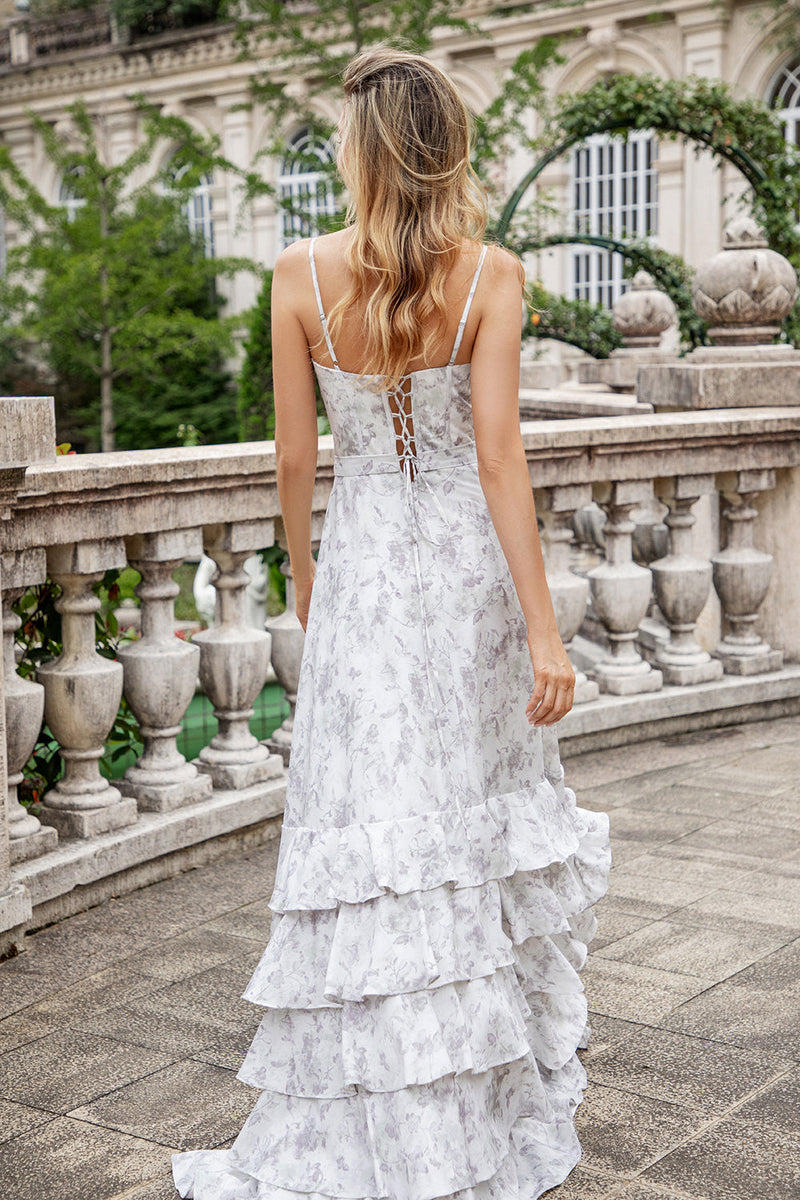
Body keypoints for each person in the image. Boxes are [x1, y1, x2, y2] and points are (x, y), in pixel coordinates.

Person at [173, 46, 611, 1200]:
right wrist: (543, 631)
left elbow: (293, 456)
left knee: (374, 825)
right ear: (446, 146)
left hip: (365, 570)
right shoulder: (492, 275)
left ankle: (376, 1104)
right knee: (462, 824)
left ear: (359, 153)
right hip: (463, 571)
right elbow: (501, 459)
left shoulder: (296, 277)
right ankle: (470, 1105)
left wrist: (309, 580)